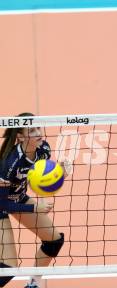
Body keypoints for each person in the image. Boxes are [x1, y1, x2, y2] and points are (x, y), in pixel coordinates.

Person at [0, 113, 67, 288]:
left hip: (18, 197)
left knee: (54, 240)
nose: (39, 133)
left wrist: (59, 174)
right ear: (20, 136)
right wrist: (35, 208)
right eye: (32, 130)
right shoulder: (10, 164)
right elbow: (3, 203)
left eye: (38, 128)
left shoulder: (43, 149)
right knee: (7, 269)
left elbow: (36, 178)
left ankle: (33, 284)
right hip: (1, 204)